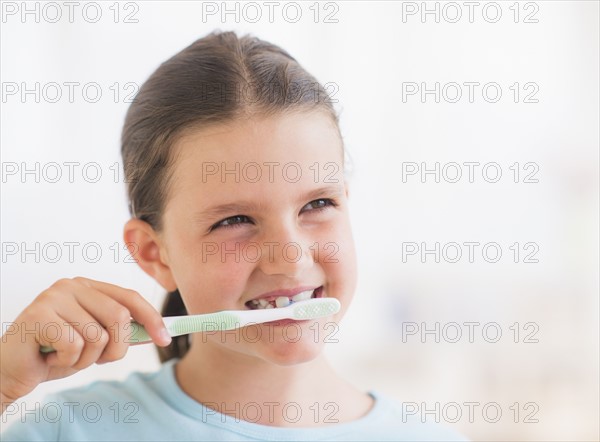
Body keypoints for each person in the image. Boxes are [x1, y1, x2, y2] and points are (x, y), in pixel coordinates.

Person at [1, 30, 468, 441]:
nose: (289, 257)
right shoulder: (69, 431)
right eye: (234, 221)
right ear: (154, 254)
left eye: (317, 205)